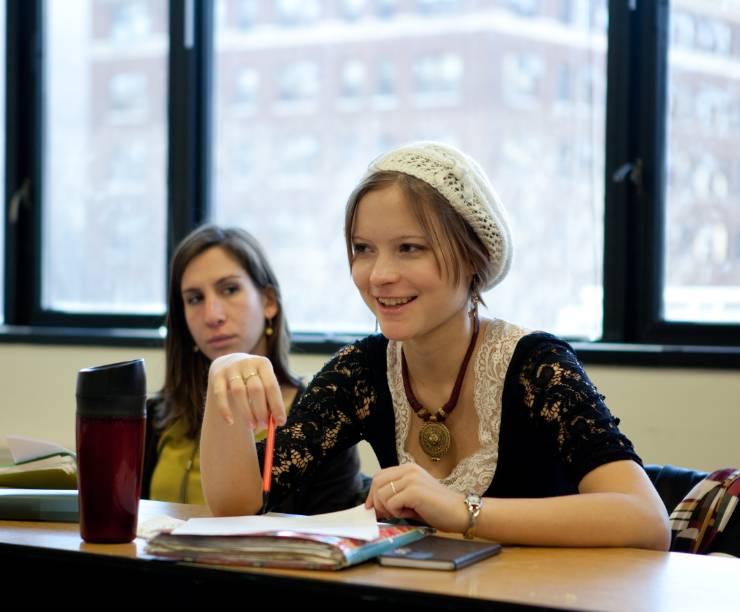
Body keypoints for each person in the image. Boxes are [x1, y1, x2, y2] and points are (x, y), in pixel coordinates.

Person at [200, 142, 670, 549]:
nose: (379, 275)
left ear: (474, 258)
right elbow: (238, 505)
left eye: (409, 248)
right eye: (363, 248)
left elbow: (646, 520)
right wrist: (224, 380)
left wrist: (462, 511)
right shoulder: (361, 372)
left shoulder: (537, 366)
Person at [143, 224, 363, 513]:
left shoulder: (322, 418)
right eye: (194, 299)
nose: (213, 315)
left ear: (269, 302)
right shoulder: (156, 417)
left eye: (230, 289)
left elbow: (333, 540)